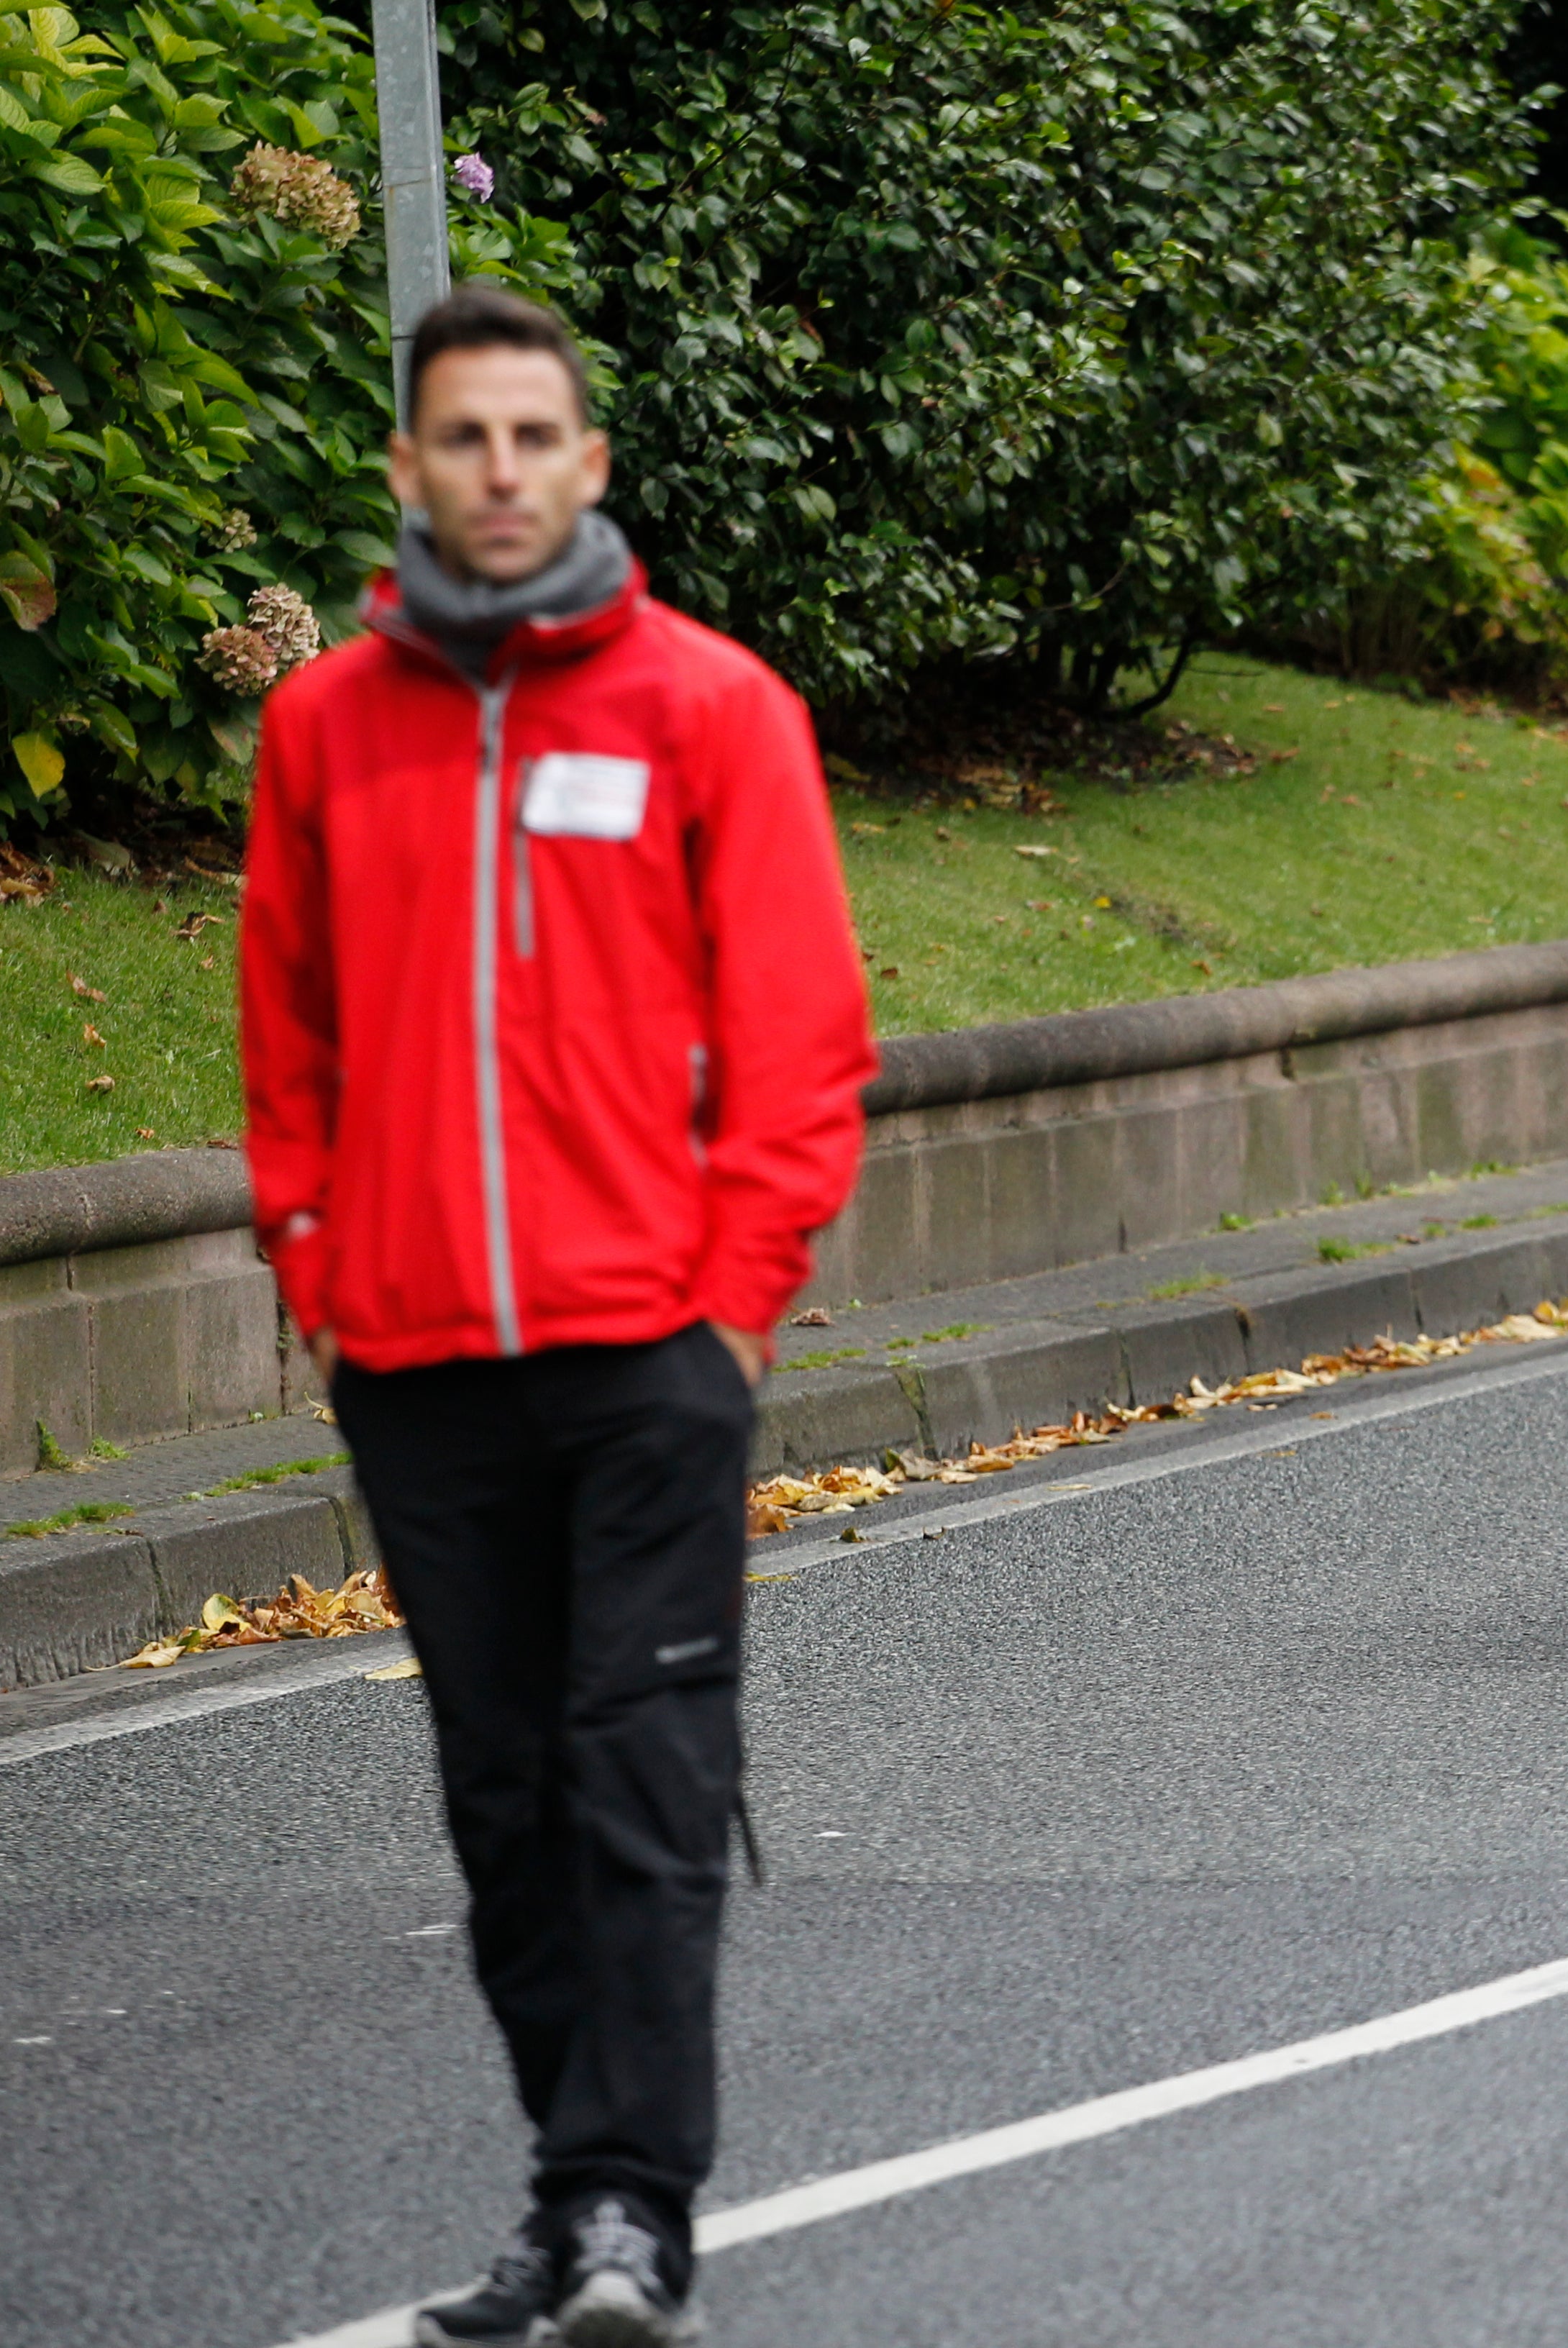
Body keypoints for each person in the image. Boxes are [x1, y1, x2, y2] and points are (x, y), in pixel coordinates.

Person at [242, 283, 876, 2347]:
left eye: (536, 438)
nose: (500, 474)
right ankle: (567, 2187)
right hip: (419, 1367)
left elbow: (801, 1041)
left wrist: (735, 1313)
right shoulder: (326, 729)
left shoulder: (709, 709)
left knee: (638, 1779)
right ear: (412, 465)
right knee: (503, 1806)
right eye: (463, 440)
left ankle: (627, 2218)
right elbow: (291, 1038)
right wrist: (321, 1270)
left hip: (647, 1361)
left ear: (589, 465)